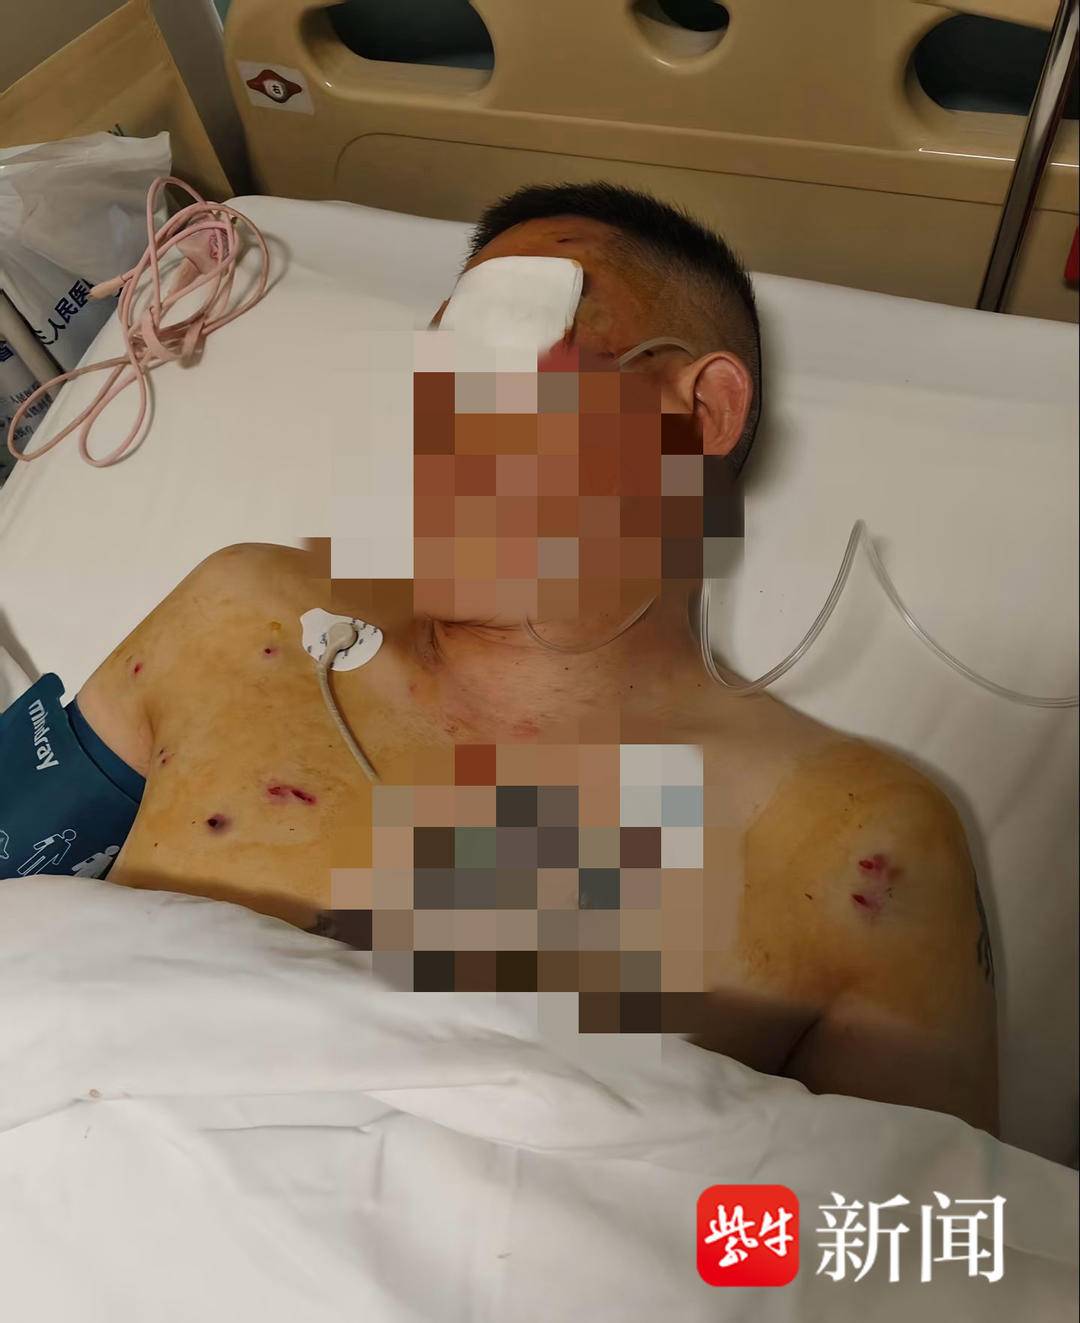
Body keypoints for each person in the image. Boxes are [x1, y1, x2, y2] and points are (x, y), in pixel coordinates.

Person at [62, 183, 996, 1129]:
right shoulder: (245, 614)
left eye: (512, 345)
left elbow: (908, 1213)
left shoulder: (852, 842)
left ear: (699, 414)